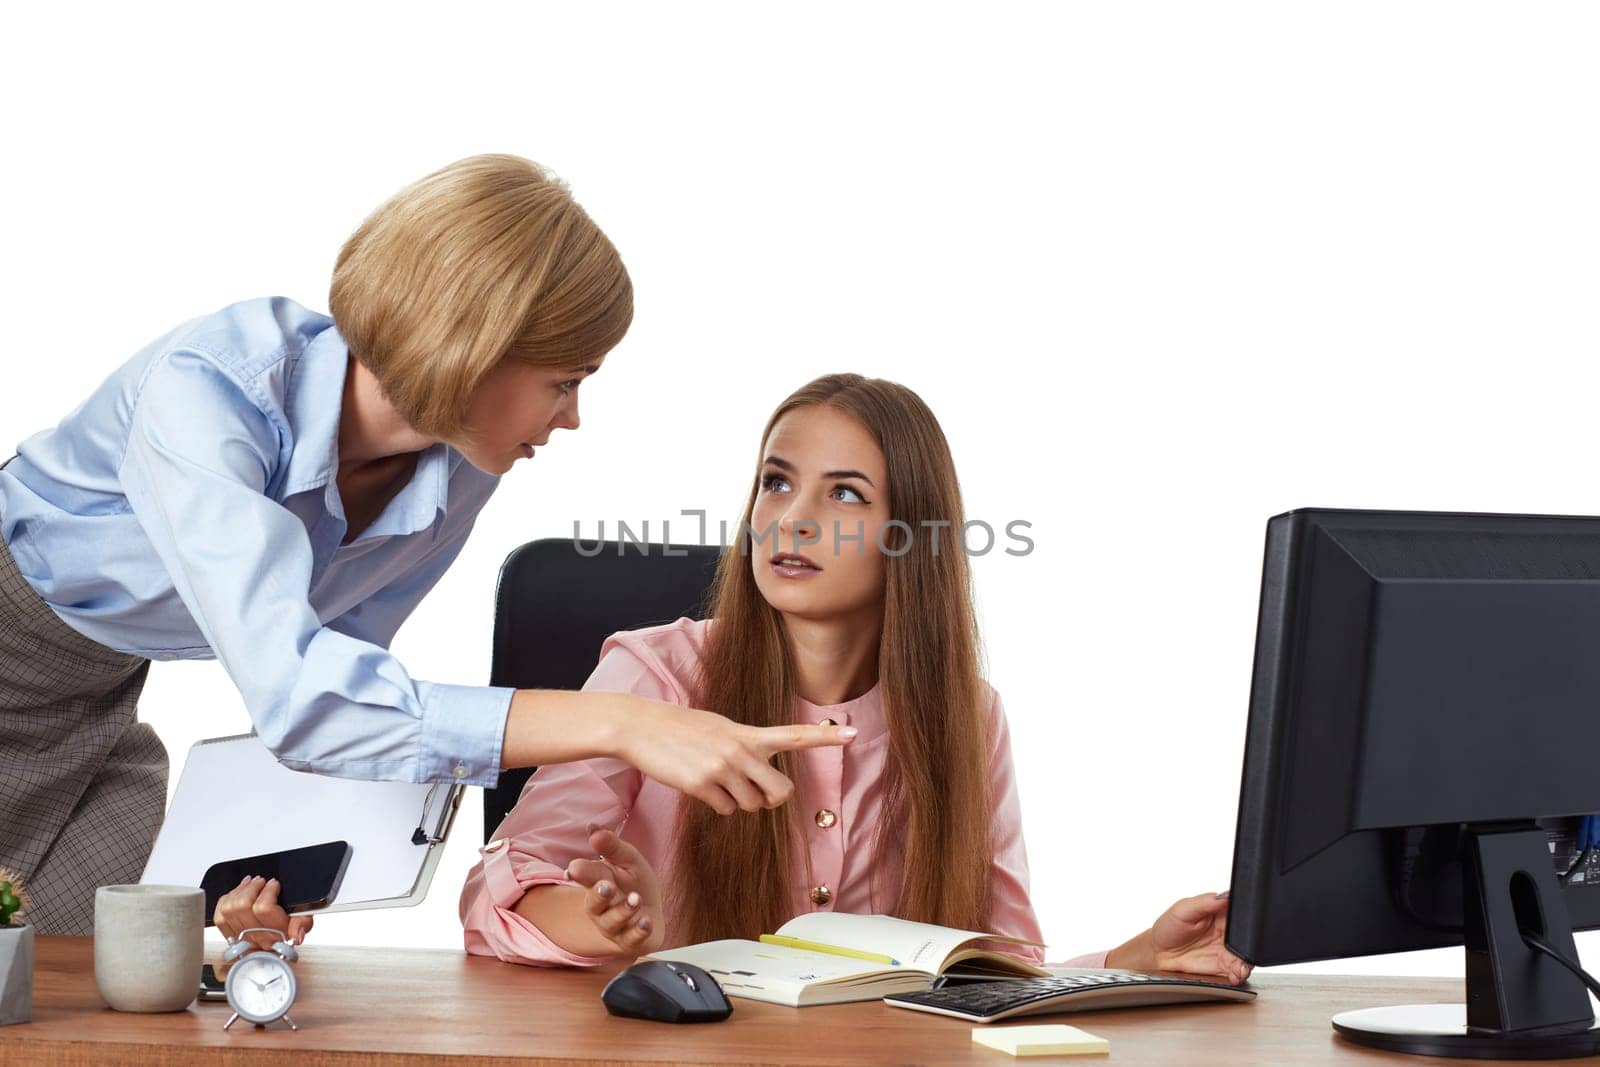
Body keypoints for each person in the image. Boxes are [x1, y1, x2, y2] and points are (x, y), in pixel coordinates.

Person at [0, 155, 852, 940]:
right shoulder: (209, 393)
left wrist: (258, 886)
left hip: (98, 697)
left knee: (118, 970)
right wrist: (623, 723)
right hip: (14, 659)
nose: (572, 418)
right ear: (474, 346)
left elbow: (352, 678)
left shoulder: (461, 457)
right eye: (565, 381)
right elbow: (307, 701)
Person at [459, 374, 1251, 983]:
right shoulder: (657, 672)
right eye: (776, 481)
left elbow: (994, 969)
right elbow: (497, 892)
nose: (791, 518)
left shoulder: (967, 716)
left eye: (843, 493)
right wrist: (608, 924)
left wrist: (1133, 957)